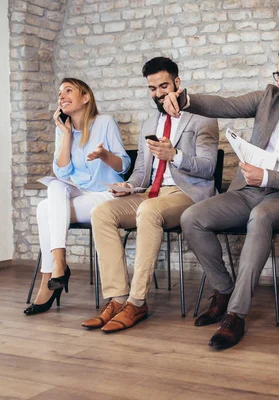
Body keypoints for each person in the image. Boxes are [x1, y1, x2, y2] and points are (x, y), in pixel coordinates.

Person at [163, 47, 279, 350]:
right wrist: (185, 99)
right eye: (278, 74)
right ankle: (224, 288)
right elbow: (224, 105)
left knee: (262, 216)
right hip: (249, 191)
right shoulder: (267, 98)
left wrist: (267, 177)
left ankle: (236, 315)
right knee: (192, 218)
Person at [81, 57, 219, 333]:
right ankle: (117, 297)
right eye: (152, 88)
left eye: (163, 86)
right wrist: (127, 187)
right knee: (102, 212)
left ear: (177, 83)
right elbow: (142, 173)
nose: (158, 93)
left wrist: (175, 155)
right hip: (150, 193)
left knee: (149, 211)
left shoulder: (203, 118)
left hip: (186, 194)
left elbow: (208, 168)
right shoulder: (148, 124)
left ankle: (137, 301)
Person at [24, 78, 131, 316]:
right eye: (59, 93)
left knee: (44, 209)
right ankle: (59, 264)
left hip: (105, 195)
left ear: (85, 97)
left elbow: (124, 165)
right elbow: (61, 171)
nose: (61, 96)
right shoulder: (63, 128)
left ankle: (49, 278)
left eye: (68, 90)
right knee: (54, 189)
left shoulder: (104, 123)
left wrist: (104, 155)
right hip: (80, 193)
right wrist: (66, 135)